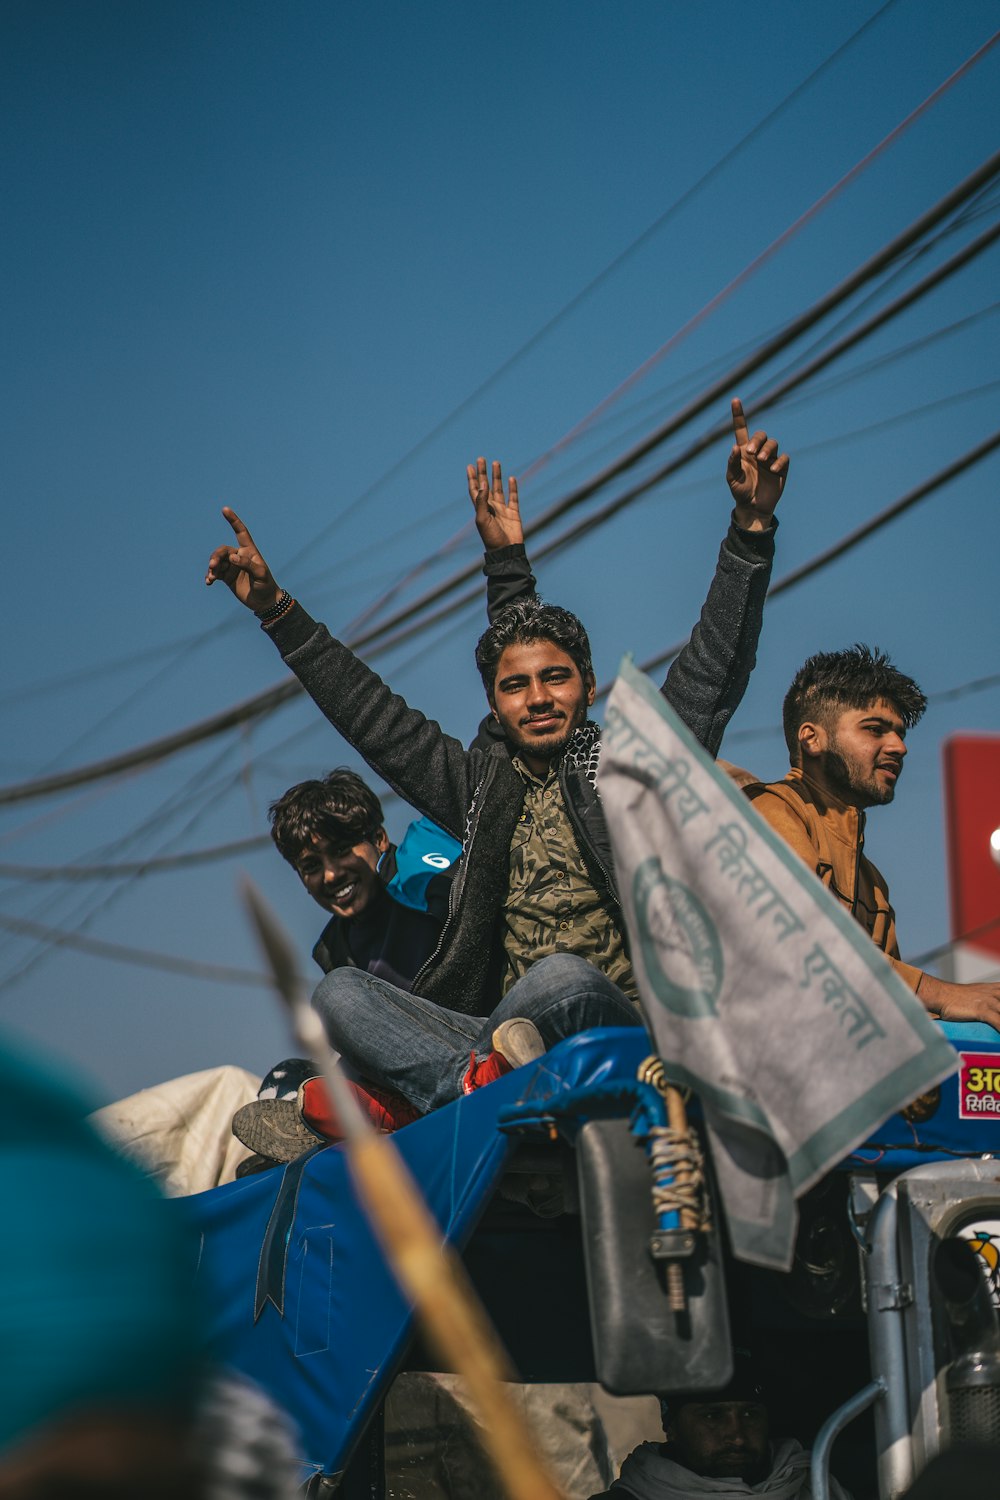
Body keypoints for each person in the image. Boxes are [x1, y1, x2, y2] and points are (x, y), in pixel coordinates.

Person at [204, 398, 789, 1113]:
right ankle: (464, 1087)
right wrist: (276, 611)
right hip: (503, 1042)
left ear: (590, 686)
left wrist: (750, 530)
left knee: (563, 977)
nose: (537, 697)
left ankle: (413, 1096)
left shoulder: (631, 771)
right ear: (494, 705)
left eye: (556, 679)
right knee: (340, 994)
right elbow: (372, 717)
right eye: (515, 687)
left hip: (619, 1021)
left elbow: (712, 670)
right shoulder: (477, 785)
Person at [746, 645, 1000, 1030]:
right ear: (812, 739)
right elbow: (805, 948)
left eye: (899, 733)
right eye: (875, 729)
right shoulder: (769, 813)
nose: (899, 747)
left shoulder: (873, 885)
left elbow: (883, 1013)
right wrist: (946, 994)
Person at [587, 1357, 852, 1500]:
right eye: (713, 1416)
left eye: (750, 1414)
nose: (737, 1436)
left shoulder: (816, 1489)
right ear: (673, 1426)